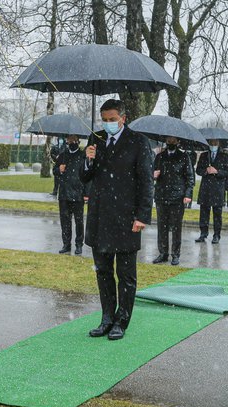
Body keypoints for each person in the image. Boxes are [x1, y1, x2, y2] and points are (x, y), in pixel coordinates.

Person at [81, 99, 154, 340]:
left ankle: (122, 320)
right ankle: (106, 318)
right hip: (100, 217)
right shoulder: (96, 139)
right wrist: (88, 158)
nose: (108, 124)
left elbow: (146, 181)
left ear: (123, 117)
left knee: (125, 274)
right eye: (105, 120)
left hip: (126, 218)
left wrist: (142, 215)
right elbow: (85, 176)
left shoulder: (139, 142)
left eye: (112, 119)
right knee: (102, 271)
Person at [152, 136, 194, 266]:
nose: (170, 143)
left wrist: (187, 194)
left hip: (177, 197)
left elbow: (190, 177)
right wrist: (153, 174)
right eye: (168, 140)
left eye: (173, 141)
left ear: (178, 142)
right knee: (161, 226)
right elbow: (151, 173)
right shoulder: (160, 157)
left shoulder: (184, 157)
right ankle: (163, 253)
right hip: (161, 196)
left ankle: (176, 254)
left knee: (176, 227)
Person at [54, 134, 88, 255]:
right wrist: (59, 169)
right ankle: (66, 244)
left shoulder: (83, 155)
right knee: (65, 221)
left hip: (78, 194)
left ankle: (79, 245)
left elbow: (87, 175)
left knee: (79, 222)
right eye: (69, 140)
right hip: (64, 194)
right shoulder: (62, 155)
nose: (71, 142)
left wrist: (86, 193)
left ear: (78, 141)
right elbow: (55, 171)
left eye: (74, 140)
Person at [195, 139, 228, 244]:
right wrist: (205, 171)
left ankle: (216, 235)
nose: (213, 145)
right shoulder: (204, 155)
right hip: (205, 188)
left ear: (219, 143)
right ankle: (203, 233)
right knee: (204, 213)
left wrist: (217, 172)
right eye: (211, 143)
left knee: (217, 214)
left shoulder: (225, 156)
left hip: (217, 189)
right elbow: (198, 170)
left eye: (215, 143)